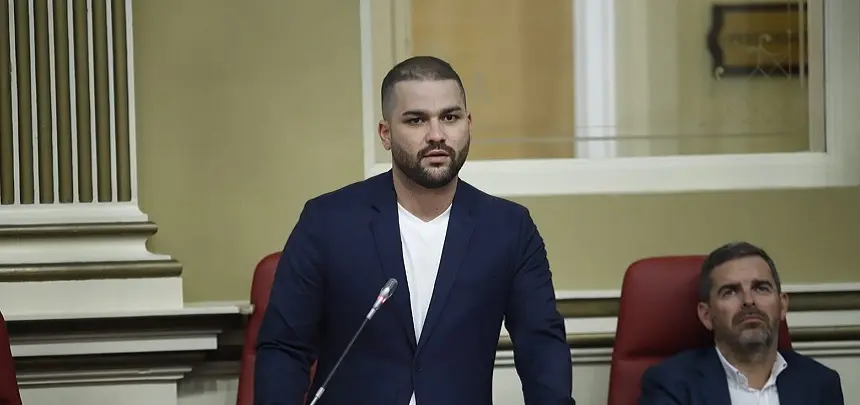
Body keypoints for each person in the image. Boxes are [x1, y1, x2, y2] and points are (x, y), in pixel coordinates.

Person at [254, 56, 575, 405]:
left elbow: (541, 346)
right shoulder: (328, 221)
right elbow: (284, 348)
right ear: (386, 133)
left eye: (450, 118)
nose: (436, 134)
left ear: (468, 124)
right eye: (416, 120)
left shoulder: (508, 228)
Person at [638, 242, 844, 405]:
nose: (748, 301)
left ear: (782, 306)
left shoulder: (821, 384)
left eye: (761, 288)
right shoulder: (671, 384)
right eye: (730, 291)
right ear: (706, 315)